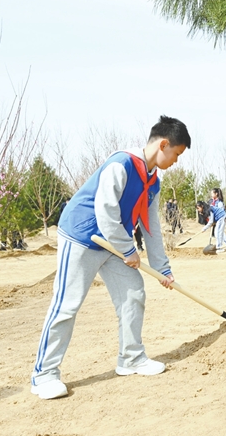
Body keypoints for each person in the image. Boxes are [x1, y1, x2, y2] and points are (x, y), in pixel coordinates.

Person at [31, 115, 191, 400]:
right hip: (82, 236)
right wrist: (129, 250)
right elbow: (105, 212)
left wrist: (162, 269)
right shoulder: (121, 164)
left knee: (133, 293)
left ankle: (131, 358)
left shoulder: (153, 182)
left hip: (114, 242)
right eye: (176, 154)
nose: (176, 161)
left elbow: (151, 227)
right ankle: (44, 375)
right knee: (67, 305)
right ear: (163, 144)